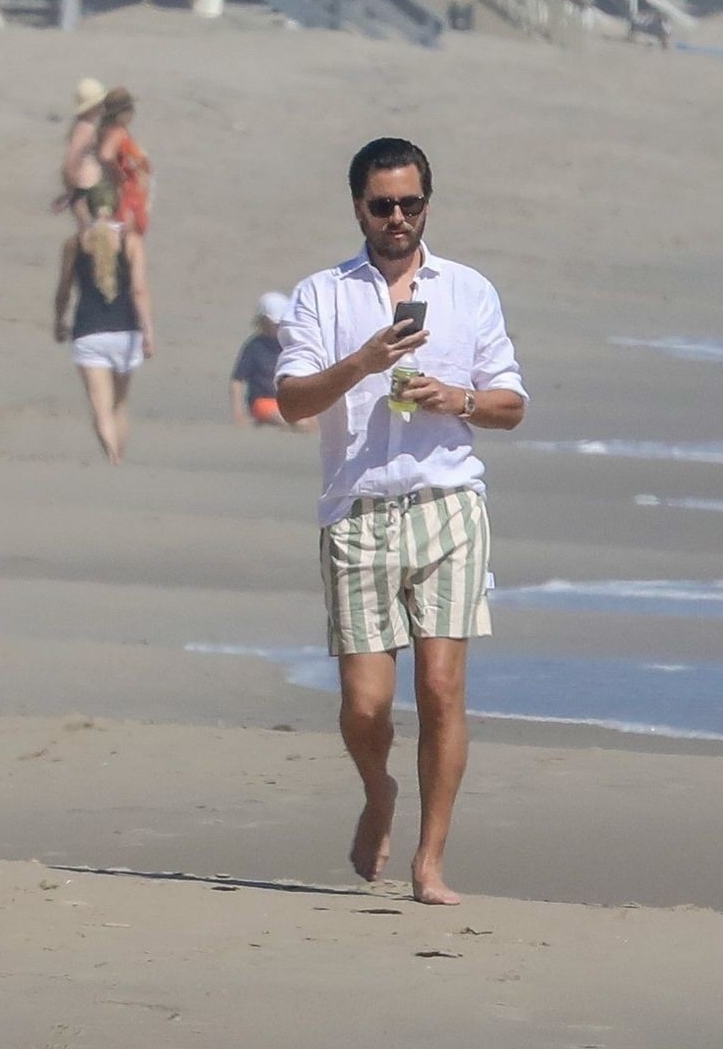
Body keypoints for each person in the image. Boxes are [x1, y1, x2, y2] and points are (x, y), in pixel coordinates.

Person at [275, 137, 527, 905]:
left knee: (442, 687)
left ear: (427, 205)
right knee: (366, 705)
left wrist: (459, 399)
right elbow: (290, 400)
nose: (396, 218)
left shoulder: (468, 291)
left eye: (409, 204)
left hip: (448, 504)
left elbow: (511, 403)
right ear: (358, 207)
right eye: (382, 205)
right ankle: (378, 789)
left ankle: (430, 861)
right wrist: (363, 362)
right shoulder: (322, 294)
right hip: (357, 511)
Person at [53, 188, 154, 465]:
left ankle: (112, 459)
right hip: (126, 331)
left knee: (101, 410)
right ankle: (119, 459)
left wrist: (59, 321)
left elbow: (64, 289)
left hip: (88, 331)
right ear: (117, 207)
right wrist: (148, 332)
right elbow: (139, 290)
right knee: (119, 404)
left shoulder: (75, 243)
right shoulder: (130, 241)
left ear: (88, 207)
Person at [231, 291, 305, 429]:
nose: (279, 327)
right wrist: (238, 413)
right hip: (263, 401)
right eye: (275, 324)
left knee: (309, 422)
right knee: (286, 420)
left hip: (290, 401)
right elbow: (237, 380)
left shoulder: (291, 344)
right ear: (263, 321)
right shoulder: (254, 346)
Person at [53, 78, 109, 231]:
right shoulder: (85, 129)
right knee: (88, 230)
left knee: (89, 229)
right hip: (84, 187)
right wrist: (70, 191)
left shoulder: (83, 126)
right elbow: (71, 160)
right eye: (99, 104)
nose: (102, 107)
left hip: (85, 187)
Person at [97, 87, 152, 236]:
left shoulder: (108, 130)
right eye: (130, 109)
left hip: (130, 190)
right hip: (128, 194)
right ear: (121, 113)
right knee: (130, 236)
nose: (133, 113)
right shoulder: (117, 133)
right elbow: (106, 155)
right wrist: (119, 174)